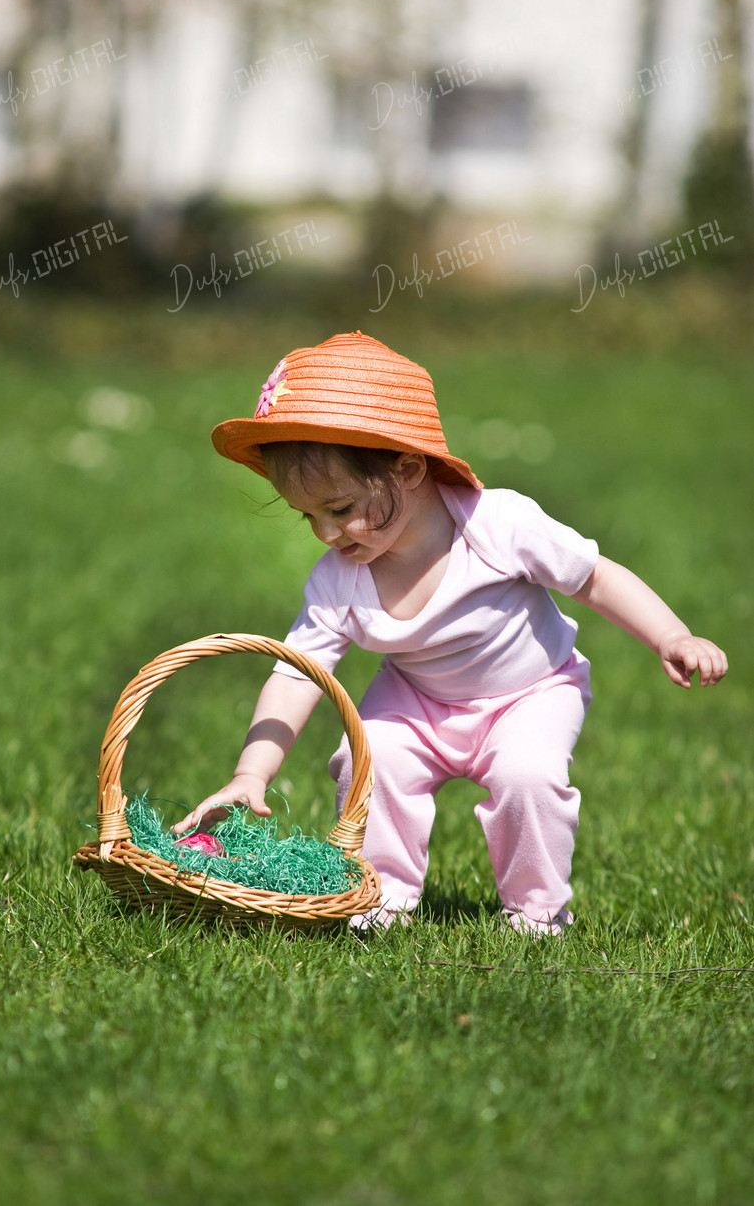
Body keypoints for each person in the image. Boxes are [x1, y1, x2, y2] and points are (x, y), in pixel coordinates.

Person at [172, 331, 728, 934]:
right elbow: (298, 671)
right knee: (371, 762)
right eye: (308, 517)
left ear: (408, 469)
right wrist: (252, 772)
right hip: (415, 699)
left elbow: (593, 578)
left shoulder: (499, 525)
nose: (327, 534)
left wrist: (672, 635)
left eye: (339, 508)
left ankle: (538, 911)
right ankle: (378, 897)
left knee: (527, 776)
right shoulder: (339, 578)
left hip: (530, 693)